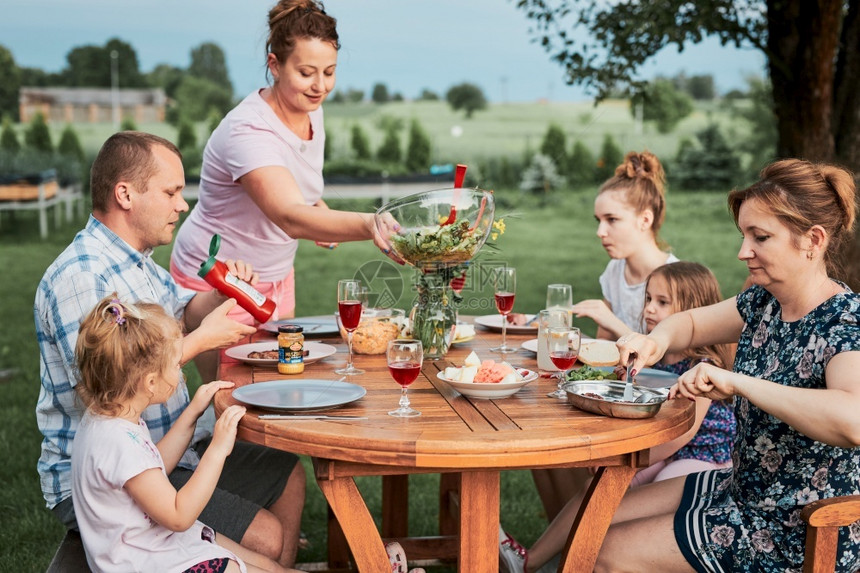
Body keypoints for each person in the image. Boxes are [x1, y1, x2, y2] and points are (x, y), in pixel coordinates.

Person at [533, 158, 860, 572]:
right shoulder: (763, 303)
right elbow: (688, 323)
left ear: (812, 239)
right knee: (595, 517)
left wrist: (739, 383)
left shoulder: (844, 321)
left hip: (797, 528)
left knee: (604, 552)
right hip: (741, 489)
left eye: (760, 237)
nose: (744, 252)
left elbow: (852, 420)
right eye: (744, 235)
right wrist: (655, 341)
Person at [35, 131, 306, 567]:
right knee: (265, 540)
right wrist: (200, 342)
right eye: (171, 192)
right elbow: (104, 380)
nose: (183, 205)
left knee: (285, 472)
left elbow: (183, 312)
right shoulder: (82, 276)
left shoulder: (137, 261)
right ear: (125, 193)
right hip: (113, 475)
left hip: (166, 444)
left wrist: (221, 294)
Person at [169, 0, 400, 355]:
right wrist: (369, 224)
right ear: (274, 65)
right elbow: (289, 216)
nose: (320, 86)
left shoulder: (310, 110)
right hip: (219, 278)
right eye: (306, 73)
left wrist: (316, 210)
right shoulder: (247, 130)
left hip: (276, 274)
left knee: (279, 380)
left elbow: (292, 186)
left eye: (329, 72)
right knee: (231, 393)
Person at [500, 261, 737, 572]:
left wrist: (628, 459)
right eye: (648, 299)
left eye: (662, 302)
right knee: (599, 490)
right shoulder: (659, 355)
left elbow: (683, 434)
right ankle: (529, 561)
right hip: (663, 450)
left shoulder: (702, 365)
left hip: (703, 456)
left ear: (693, 309)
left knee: (656, 493)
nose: (650, 309)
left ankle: (634, 554)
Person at [71, 296, 296, 573]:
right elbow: (179, 516)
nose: (181, 371)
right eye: (176, 365)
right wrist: (218, 449)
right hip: (146, 562)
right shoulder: (118, 442)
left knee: (272, 569)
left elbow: (154, 467)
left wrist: (191, 414)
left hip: (153, 546)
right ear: (151, 383)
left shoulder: (109, 419)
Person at [570, 150, 679, 340]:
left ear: (645, 220)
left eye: (612, 219)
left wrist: (609, 319)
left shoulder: (676, 278)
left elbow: (672, 361)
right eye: (599, 221)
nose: (600, 232)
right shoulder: (615, 270)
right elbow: (602, 346)